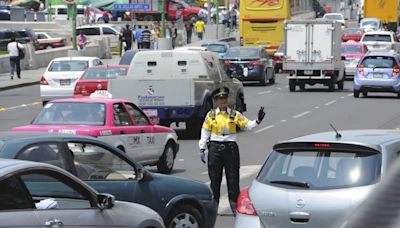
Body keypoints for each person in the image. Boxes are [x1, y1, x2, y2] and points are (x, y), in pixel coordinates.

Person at [198, 87, 266, 215]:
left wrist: (258, 120)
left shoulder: (234, 114)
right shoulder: (211, 115)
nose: (223, 102)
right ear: (216, 101)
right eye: (220, 99)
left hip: (231, 149)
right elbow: (205, 132)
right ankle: (214, 207)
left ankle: (235, 207)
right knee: (215, 180)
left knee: (233, 180)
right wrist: (202, 148)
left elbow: (248, 126)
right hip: (215, 150)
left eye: (225, 99)